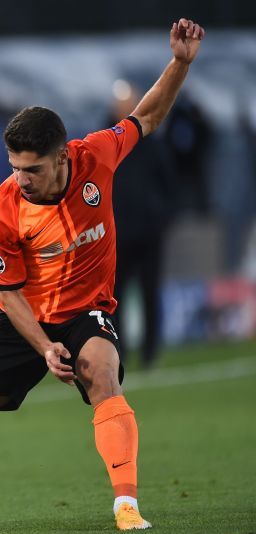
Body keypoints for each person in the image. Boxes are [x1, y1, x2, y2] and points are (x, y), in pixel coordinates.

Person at [0, 19, 204, 531]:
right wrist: (43, 347)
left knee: (102, 371)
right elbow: (7, 293)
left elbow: (148, 116)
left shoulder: (97, 153)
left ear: (60, 156)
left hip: (85, 314)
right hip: (27, 320)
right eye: (13, 167)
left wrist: (181, 62)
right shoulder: (1, 211)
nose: (19, 179)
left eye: (30, 169)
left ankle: (126, 506)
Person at [106, 85, 177, 370]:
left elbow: (169, 184)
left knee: (150, 292)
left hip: (149, 232)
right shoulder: (102, 142)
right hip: (116, 234)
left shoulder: (152, 142)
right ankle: (118, 351)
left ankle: (150, 353)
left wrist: (161, 219)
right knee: (114, 297)